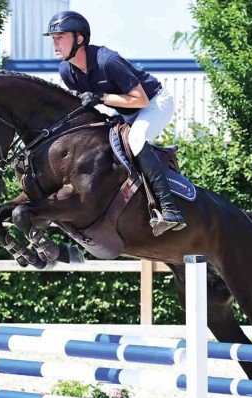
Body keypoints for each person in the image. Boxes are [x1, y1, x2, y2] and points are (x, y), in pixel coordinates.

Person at [43, 11, 186, 236]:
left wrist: (101, 98)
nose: (55, 42)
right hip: (126, 111)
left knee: (136, 140)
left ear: (79, 39)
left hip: (155, 103)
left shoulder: (107, 61)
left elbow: (141, 99)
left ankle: (170, 210)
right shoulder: (66, 70)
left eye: (60, 37)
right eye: (53, 38)